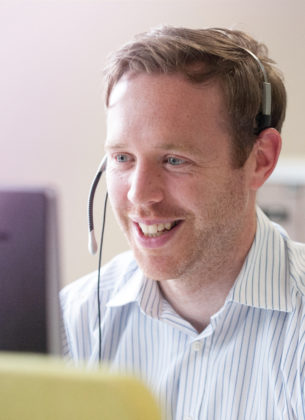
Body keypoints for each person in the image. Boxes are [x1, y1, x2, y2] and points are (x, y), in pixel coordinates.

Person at [61, 26, 305, 419]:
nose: (140, 195)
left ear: (260, 160)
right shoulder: (73, 323)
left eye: (175, 160)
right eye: (123, 158)